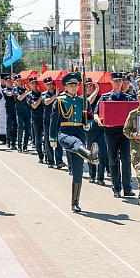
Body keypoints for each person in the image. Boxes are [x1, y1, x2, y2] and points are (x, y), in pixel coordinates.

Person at [49, 72, 99, 212]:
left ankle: (75, 202)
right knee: (76, 144)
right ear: (66, 86)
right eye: (71, 85)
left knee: (77, 171)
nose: (74, 87)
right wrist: (52, 138)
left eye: (76, 85)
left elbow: (89, 116)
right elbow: (54, 121)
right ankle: (90, 155)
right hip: (65, 132)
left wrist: (88, 123)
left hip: (80, 132)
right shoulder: (59, 101)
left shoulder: (83, 101)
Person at [94, 72, 136, 198]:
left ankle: (127, 188)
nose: (118, 83)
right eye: (116, 81)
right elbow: (96, 113)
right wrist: (98, 120)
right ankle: (116, 188)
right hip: (110, 132)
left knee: (126, 159)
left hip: (124, 133)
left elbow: (135, 112)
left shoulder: (128, 98)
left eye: (120, 81)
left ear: (122, 83)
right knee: (113, 160)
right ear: (112, 82)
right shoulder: (105, 98)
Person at [85, 78, 107, 185]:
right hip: (90, 130)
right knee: (91, 153)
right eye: (87, 86)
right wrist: (96, 91)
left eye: (91, 86)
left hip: (101, 129)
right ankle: (92, 175)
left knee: (102, 153)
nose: (89, 88)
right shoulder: (84, 98)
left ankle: (100, 177)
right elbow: (88, 102)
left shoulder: (101, 98)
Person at [42, 76, 65, 169]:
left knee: (59, 139)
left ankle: (59, 160)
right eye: (47, 84)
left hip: (58, 119)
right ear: (45, 85)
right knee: (49, 140)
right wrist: (55, 96)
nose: (50, 85)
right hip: (48, 120)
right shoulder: (44, 94)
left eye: (51, 83)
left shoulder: (60, 93)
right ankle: (50, 160)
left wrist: (58, 95)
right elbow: (47, 102)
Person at [26, 77, 45, 163]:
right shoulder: (29, 95)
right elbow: (34, 105)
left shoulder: (42, 93)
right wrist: (41, 97)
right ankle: (40, 156)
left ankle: (47, 155)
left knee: (46, 138)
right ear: (29, 84)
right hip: (36, 118)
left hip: (44, 117)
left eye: (35, 83)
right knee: (38, 139)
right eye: (32, 83)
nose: (34, 84)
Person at [13, 74, 31, 153]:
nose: (19, 82)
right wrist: (26, 92)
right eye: (17, 81)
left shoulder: (26, 88)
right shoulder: (15, 89)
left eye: (20, 80)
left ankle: (25, 146)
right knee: (20, 127)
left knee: (27, 129)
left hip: (27, 110)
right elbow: (19, 98)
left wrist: (27, 91)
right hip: (19, 111)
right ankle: (19, 145)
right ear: (15, 82)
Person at [2, 76, 17, 149]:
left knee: (15, 126)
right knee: (9, 125)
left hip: (16, 109)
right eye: (7, 81)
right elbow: (8, 94)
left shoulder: (15, 88)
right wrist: (14, 92)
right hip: (9, 109)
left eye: (10, 81)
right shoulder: (4, 89)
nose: (9, 82)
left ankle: (14, 142)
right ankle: (8, 140)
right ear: (5, 82)